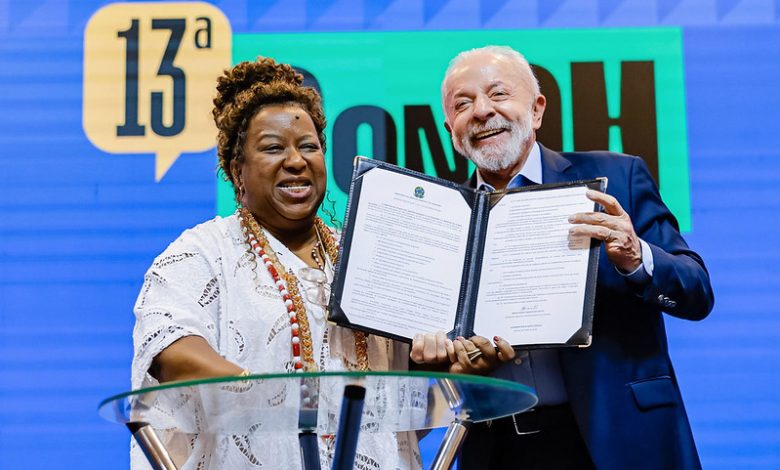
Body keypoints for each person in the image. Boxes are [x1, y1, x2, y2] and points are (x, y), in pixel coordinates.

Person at [411, 45, 714, 469]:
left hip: (621, 439)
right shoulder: (441, 222)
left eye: (498, 94)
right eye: (463, 104)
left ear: (536, 110)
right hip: (497, 448)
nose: (481, 111)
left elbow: (697, 293)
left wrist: (635, 257)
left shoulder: (618, 178)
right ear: (451, 130)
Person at [130, 57, 421, 469]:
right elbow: (169, 347)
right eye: (272, 148)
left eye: (309, 146)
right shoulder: (204, 251)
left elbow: (408, 391)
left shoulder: (364, 255)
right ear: (238, 171)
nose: (296, 161)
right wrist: (260, 394)